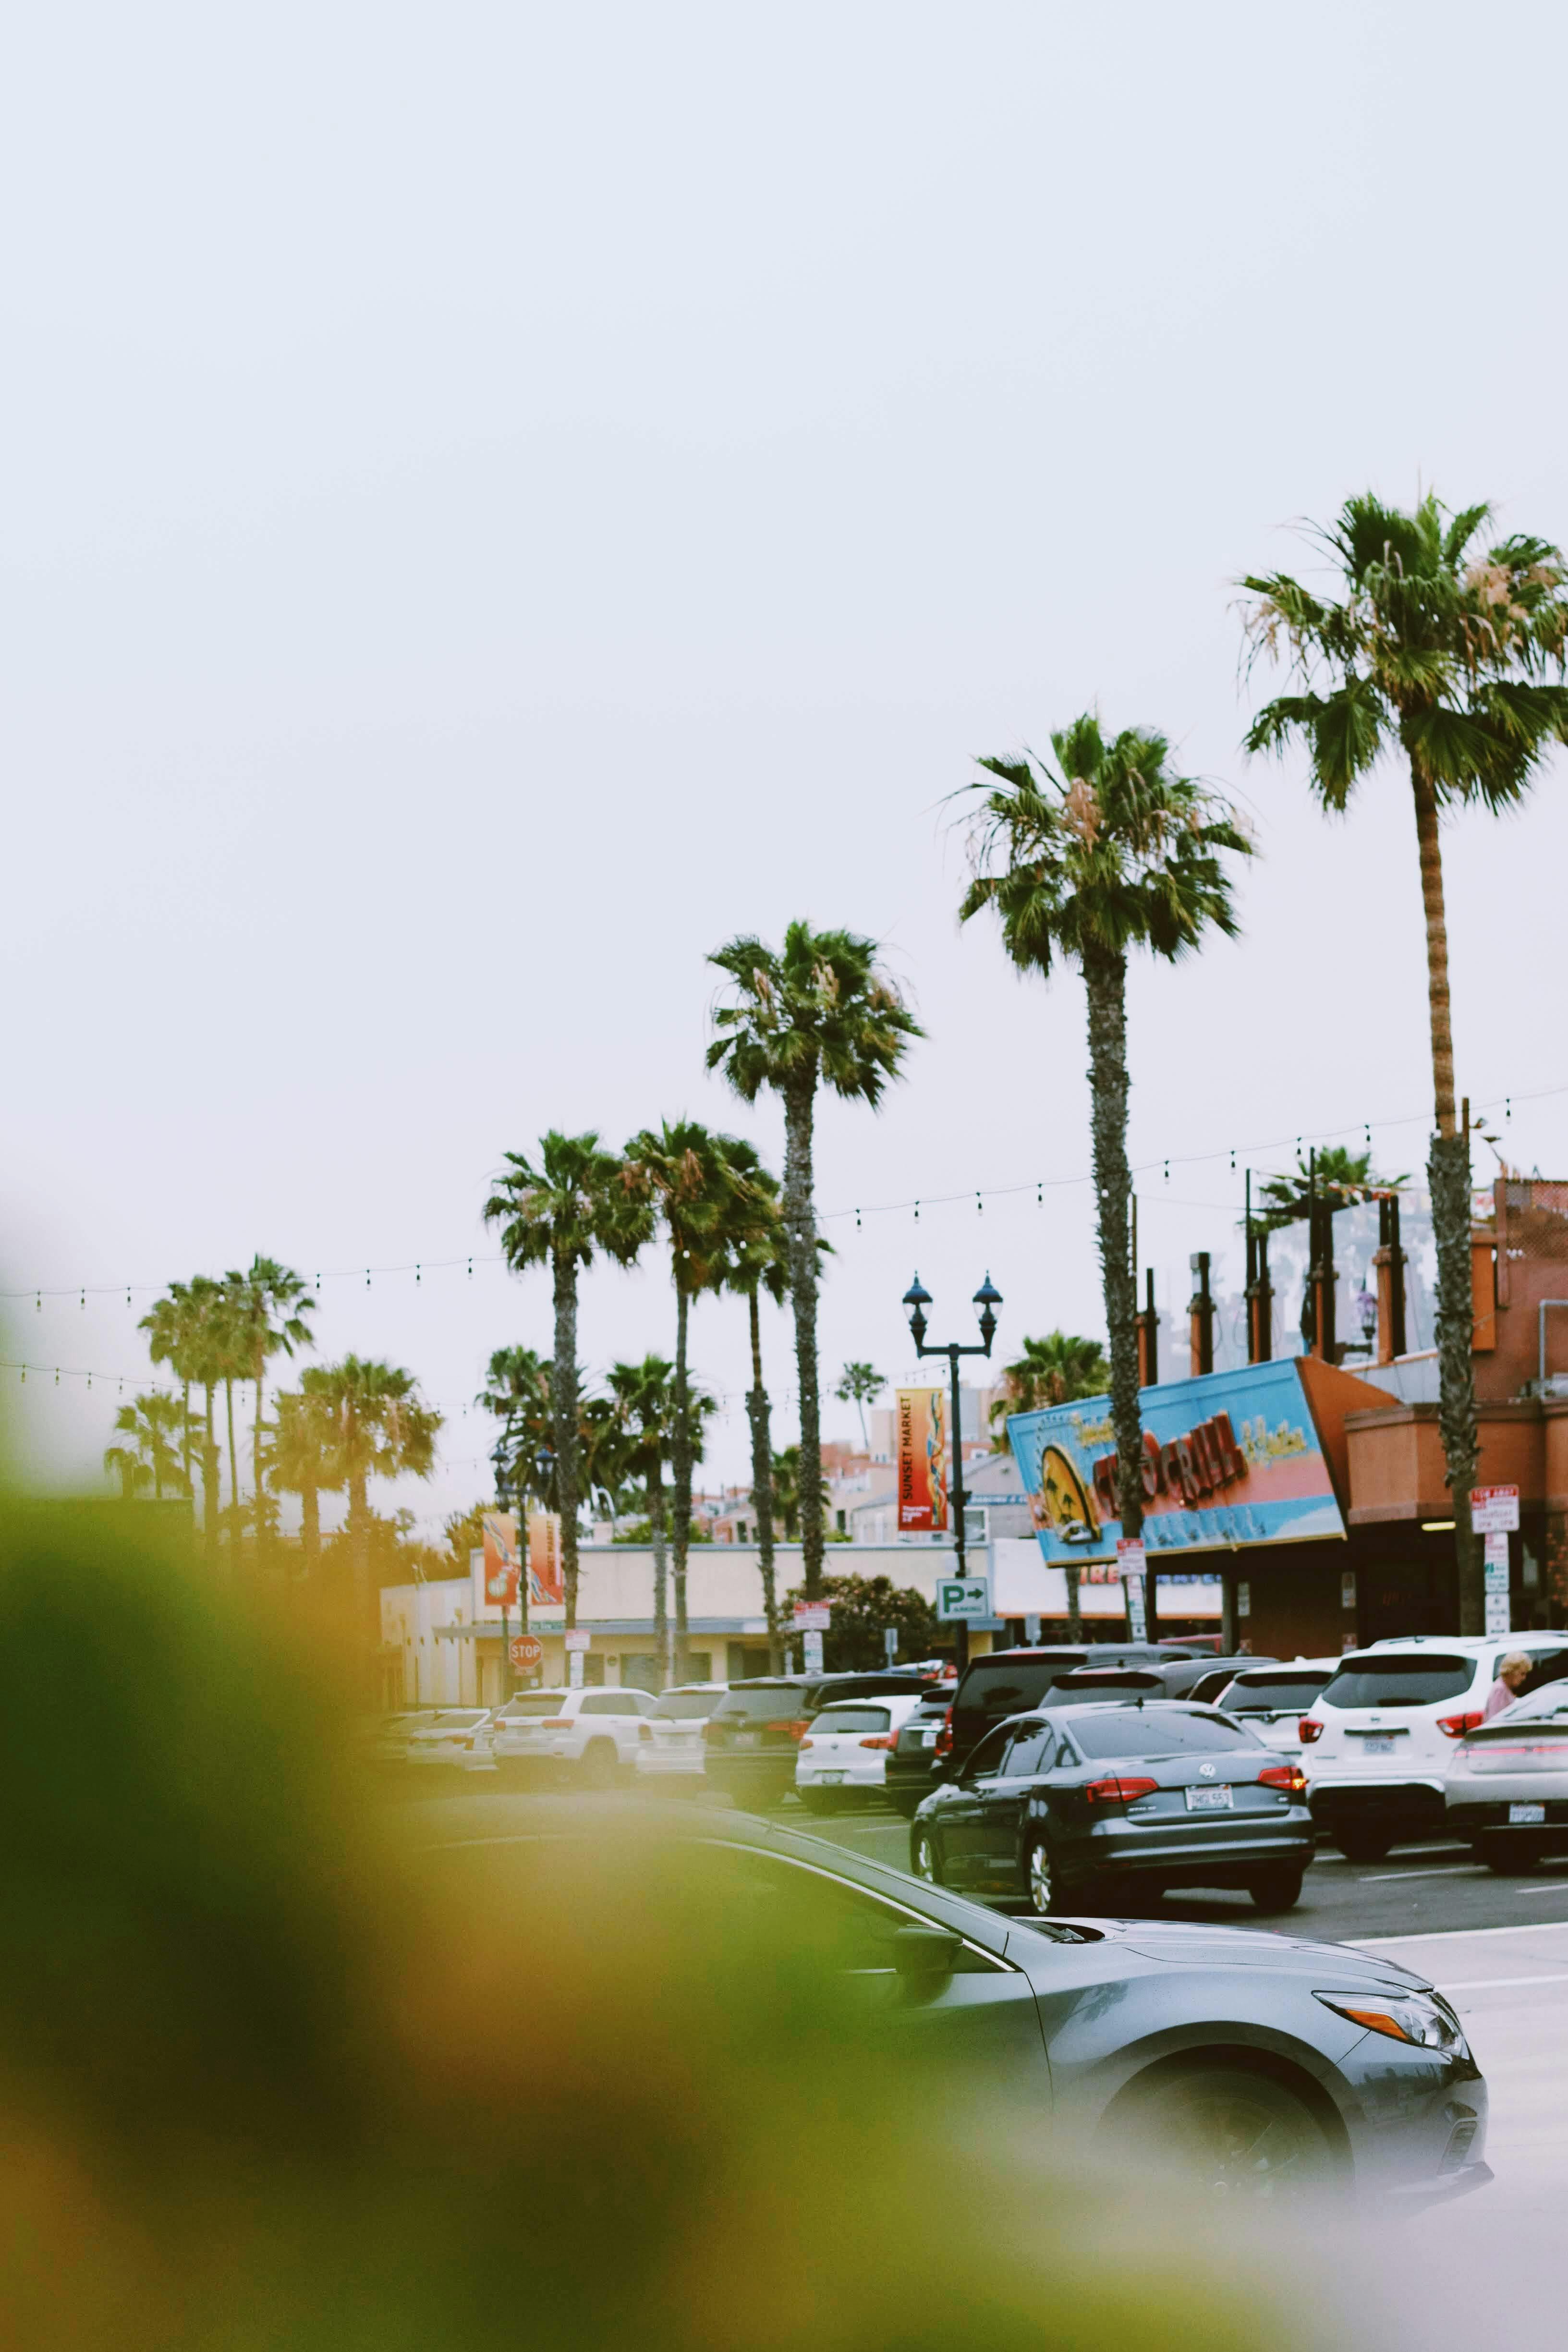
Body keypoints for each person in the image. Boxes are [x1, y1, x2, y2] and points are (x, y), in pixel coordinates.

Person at [1483, 1649, 1533, 1720]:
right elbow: (1495, 1722)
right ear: (1511, 1671)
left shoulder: (1504, 1687)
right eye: (1522, 1674)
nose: (1524, 1678)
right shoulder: (1500, 1690)